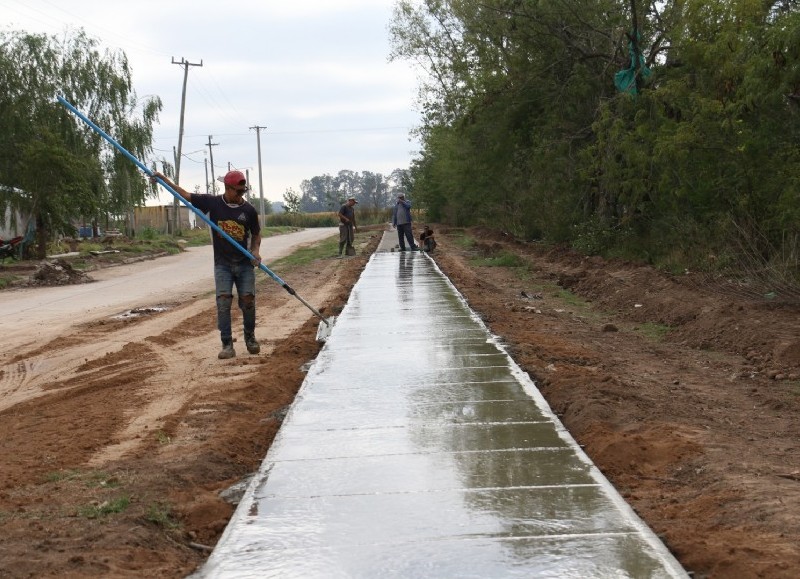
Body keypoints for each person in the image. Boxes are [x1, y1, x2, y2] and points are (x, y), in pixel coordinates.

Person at [153, 169, 262, 360]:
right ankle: (227, 344)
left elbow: (256, 234)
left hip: (245, 265)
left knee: (248, 302)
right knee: (223, 303)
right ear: (227, 188)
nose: (240, 195)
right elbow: (184, 194)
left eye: (243, 191)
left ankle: (250, 338)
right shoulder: (212, 203)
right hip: (223, 265)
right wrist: (163, 180)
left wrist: (255, 251)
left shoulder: (249, 211)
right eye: (237, 191)